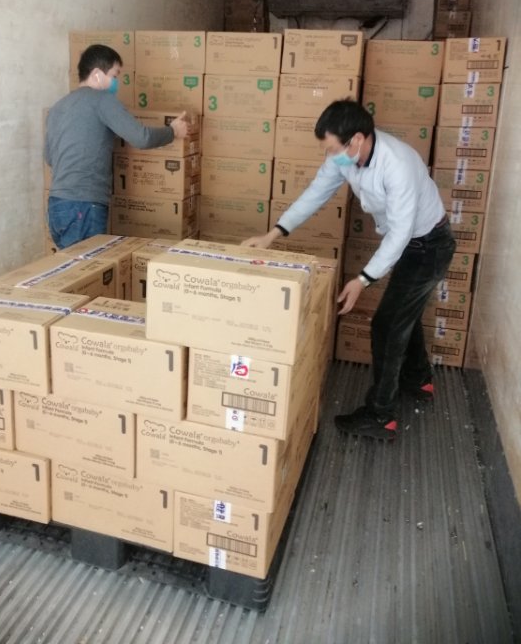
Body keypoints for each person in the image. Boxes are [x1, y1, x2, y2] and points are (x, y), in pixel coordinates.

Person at [243, 99, 456, 441]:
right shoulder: (345, 157)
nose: (330, 155)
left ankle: (381, 416)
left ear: (357, 139)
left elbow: (401, 233)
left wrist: (363, 280)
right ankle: (418, 380)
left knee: (387, 325)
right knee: (404, 314)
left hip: (429, 246)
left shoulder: (397, 165)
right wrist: (274, 233)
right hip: (409, 243)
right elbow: (316, 193)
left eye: (332, 148)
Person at [45, 43, 190, 248]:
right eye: (114, 75)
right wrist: (173, 131)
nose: (116, 82)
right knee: (89, 265)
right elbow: (141, 138)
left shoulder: (58, 107)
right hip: (84, 206)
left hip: (57, 205)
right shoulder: (102, 100)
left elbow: (50, 157)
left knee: (71, 265)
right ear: (97, 74)